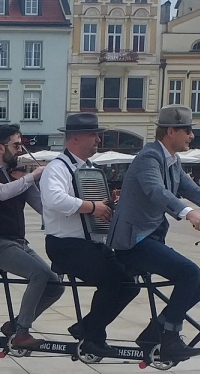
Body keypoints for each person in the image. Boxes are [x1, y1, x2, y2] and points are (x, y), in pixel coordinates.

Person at [108, 105, 200, 361]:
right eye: (187, 130)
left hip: (149, 238)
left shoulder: (172, 161)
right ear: (171, 131)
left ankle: (154, 332)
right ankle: (170, 338)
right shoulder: (148, 158)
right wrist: (188, 214)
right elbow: (156, 191)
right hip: (132, 242)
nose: (192, 136)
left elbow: (195, 191)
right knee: (189, 273)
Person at [40, 113, 138, 357]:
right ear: (75, 138)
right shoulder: (57, 168)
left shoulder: (91, 169)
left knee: (129, 284)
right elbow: (55, 200)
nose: (98, 139)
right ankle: (92, 332)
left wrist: (107, 207)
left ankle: (88, 328)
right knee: (115, 281)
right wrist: (94, 206)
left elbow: (91, 206)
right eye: (93, 135)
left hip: (89, 243)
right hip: (65, 244)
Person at [0, 124, 63, 349]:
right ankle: (22, 332)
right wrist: (31, 175)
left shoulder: (19, 175)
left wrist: (54, 189)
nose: (20, 150)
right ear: (0, 148)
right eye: (16, 145)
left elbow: (43, 206)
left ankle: (15, 324)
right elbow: (2, 193)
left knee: (56, 285)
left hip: (18, 242)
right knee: (39, 274)